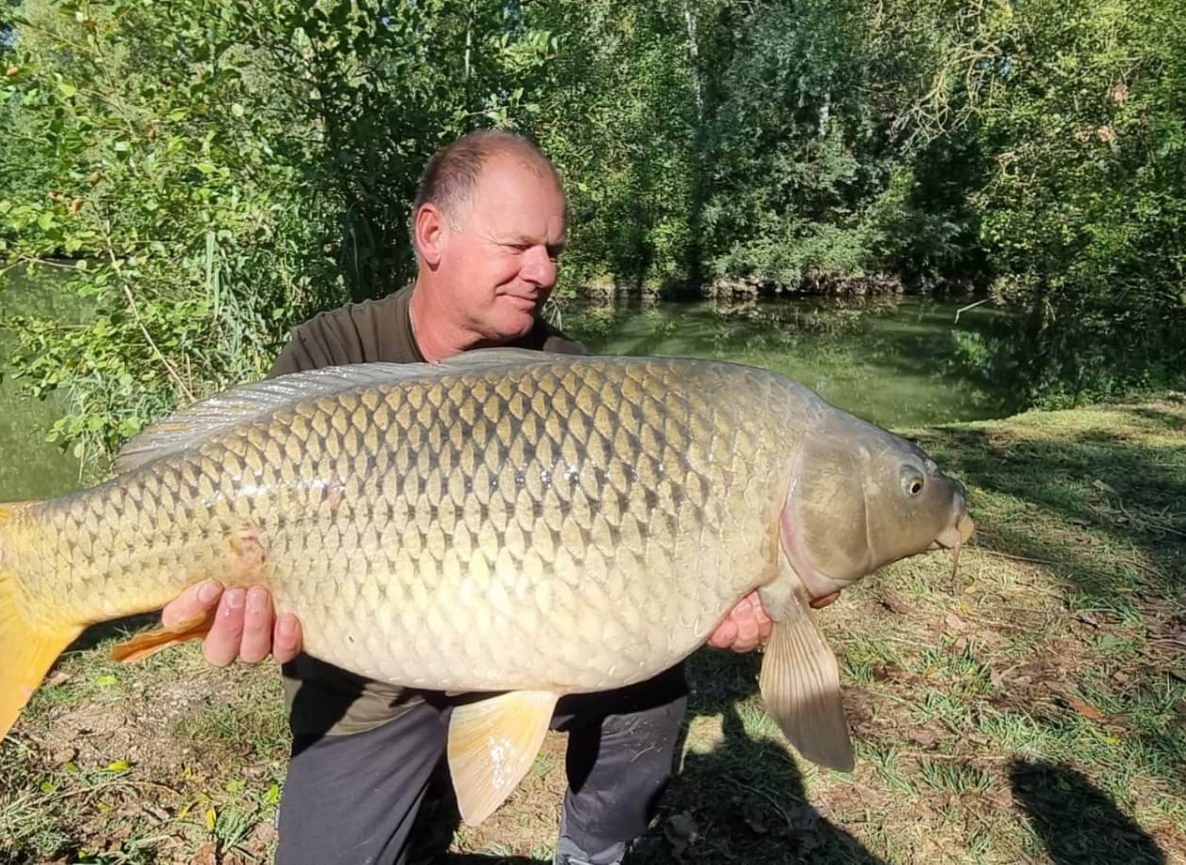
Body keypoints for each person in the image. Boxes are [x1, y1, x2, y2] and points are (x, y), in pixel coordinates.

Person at [158, 129, 809, 865]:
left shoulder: (571, 380)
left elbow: (640, 548)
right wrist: (233, 601)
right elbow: (246, 537)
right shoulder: (331, 349)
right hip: (373, 677)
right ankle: (422, 802)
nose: (542, 271)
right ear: (432, 233)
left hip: (534, 644)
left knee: (649, 680)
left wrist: (711, 588)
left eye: (554, 251)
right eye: (518, 245)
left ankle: (598, 849)